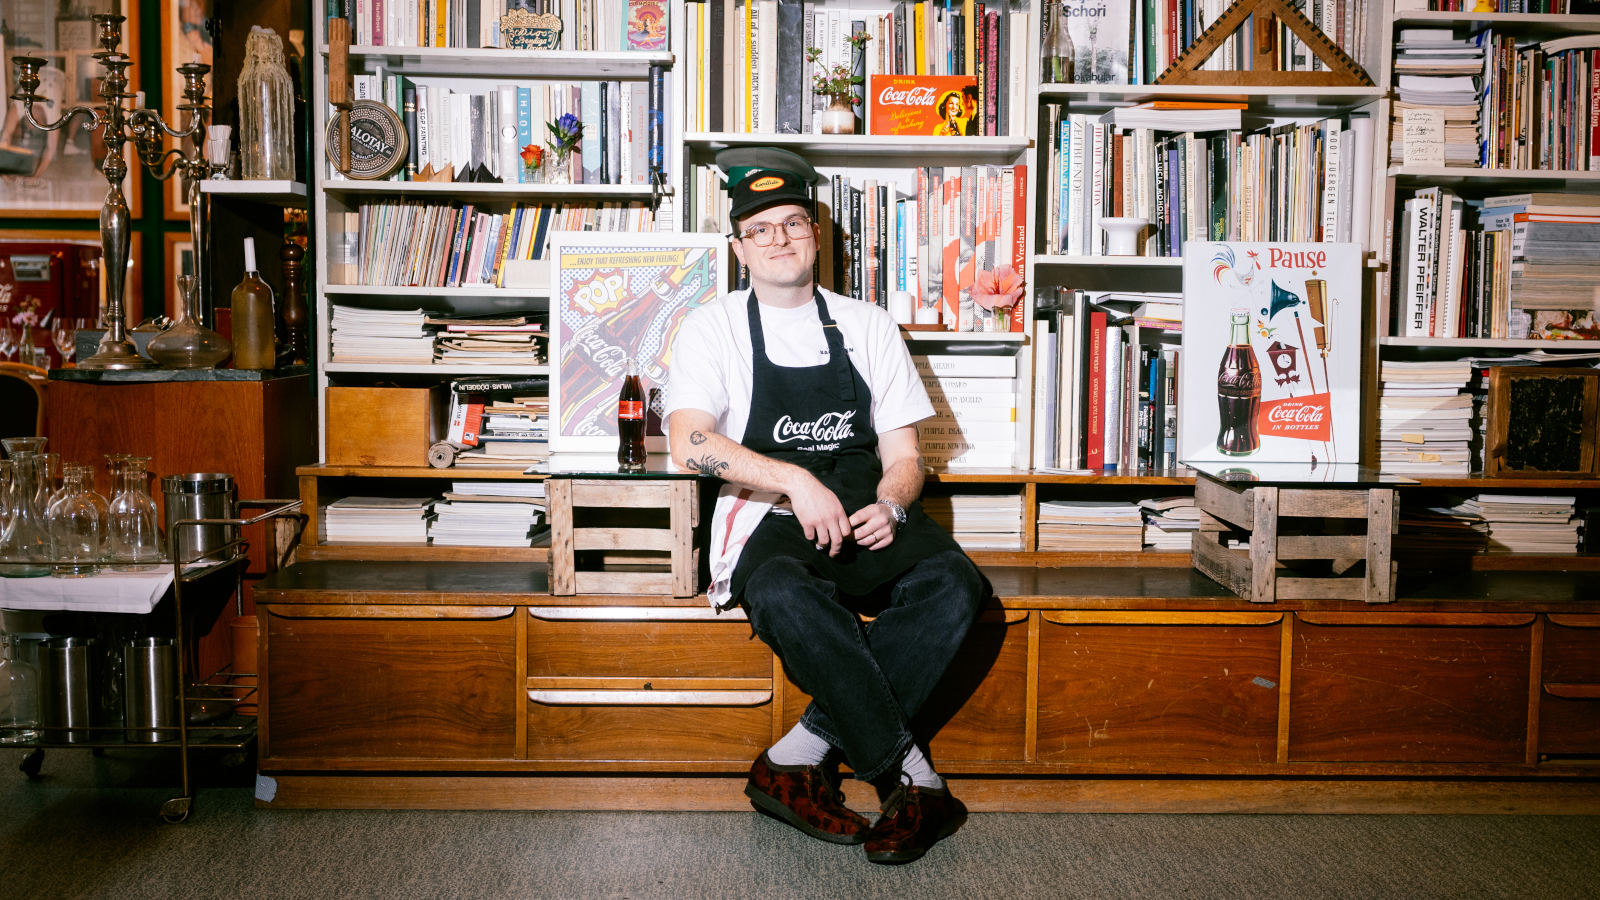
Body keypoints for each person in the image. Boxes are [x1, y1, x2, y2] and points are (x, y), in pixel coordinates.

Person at [665, 148, 987, 864]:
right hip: (770, 519)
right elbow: (688, 440)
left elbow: (906, 459)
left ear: (816, 233)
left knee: (959, 586)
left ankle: (795, 756)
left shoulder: (867, 324)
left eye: (793, 223)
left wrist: (894, 506)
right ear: (739, 246)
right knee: (782, 591)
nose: (779, 239)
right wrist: (793, 481)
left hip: (869, 512)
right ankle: (913, 781)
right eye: (761, 229)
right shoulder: (712, 327)